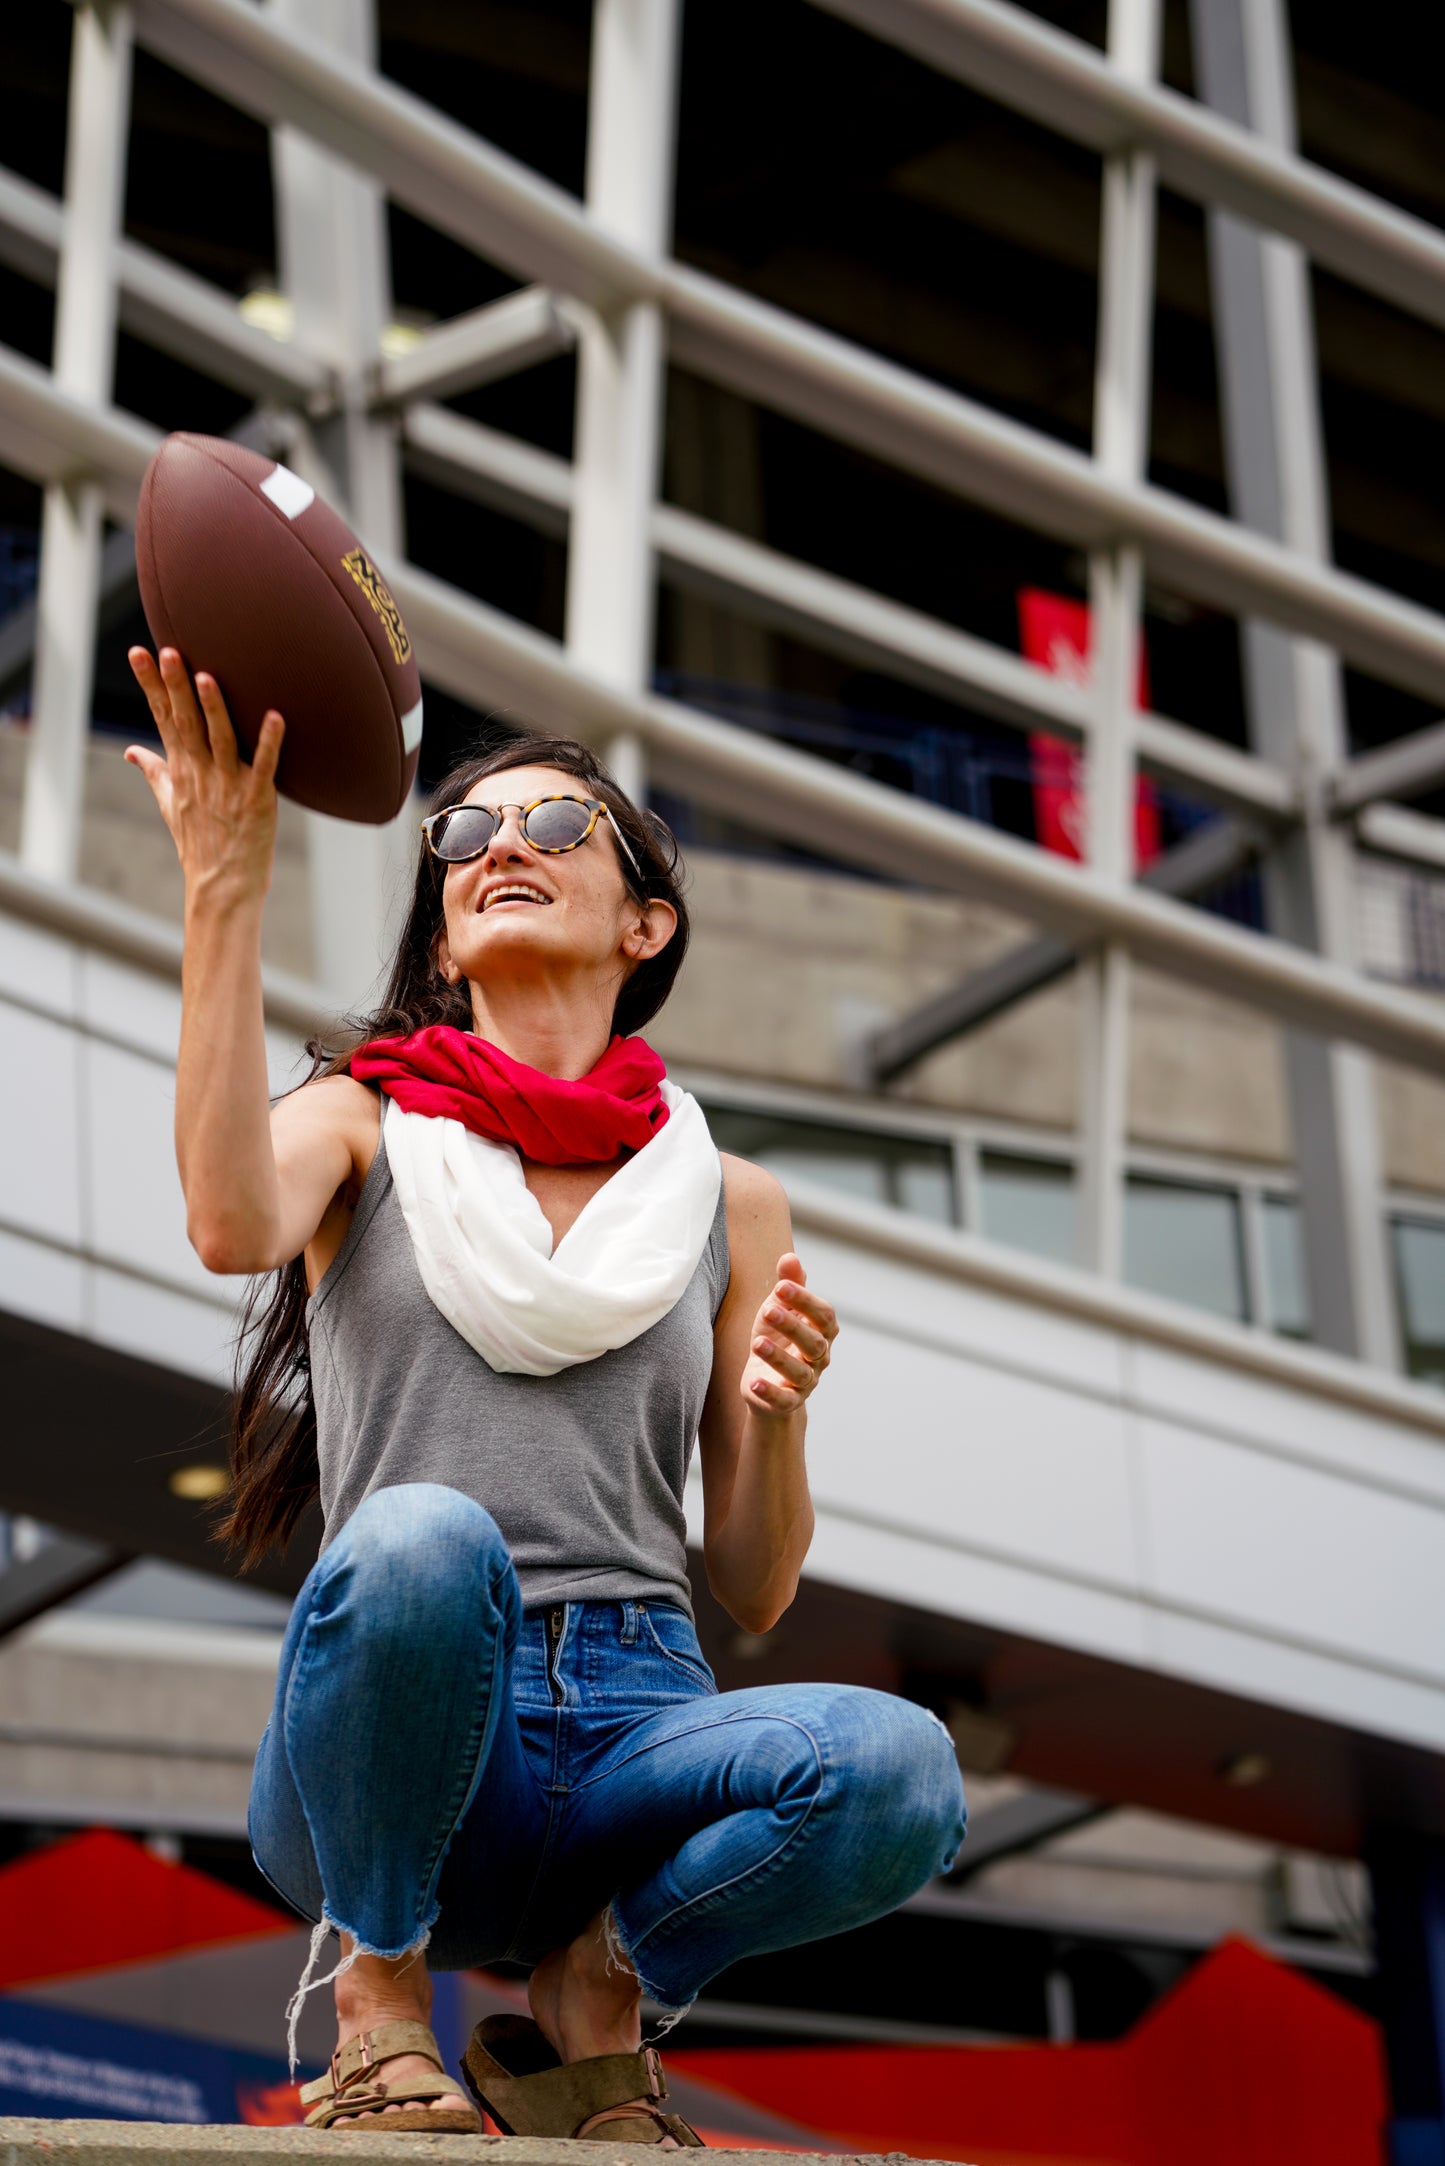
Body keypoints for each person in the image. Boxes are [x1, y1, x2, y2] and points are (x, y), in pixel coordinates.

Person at [125, 644, 967, 2147]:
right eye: (461, 833)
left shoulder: (729, 1198)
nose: (500, 841)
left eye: (556, 823)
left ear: (647, 921)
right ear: (444, 937)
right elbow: (225, 1226)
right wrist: (219, 891)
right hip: (406, 1725)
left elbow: (756, 1583)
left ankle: (602, 1980)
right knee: (423, 1540)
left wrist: (773, 1411)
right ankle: (380, 2010)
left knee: (901, 1767)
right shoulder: (362, 1121)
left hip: (641, 1717)